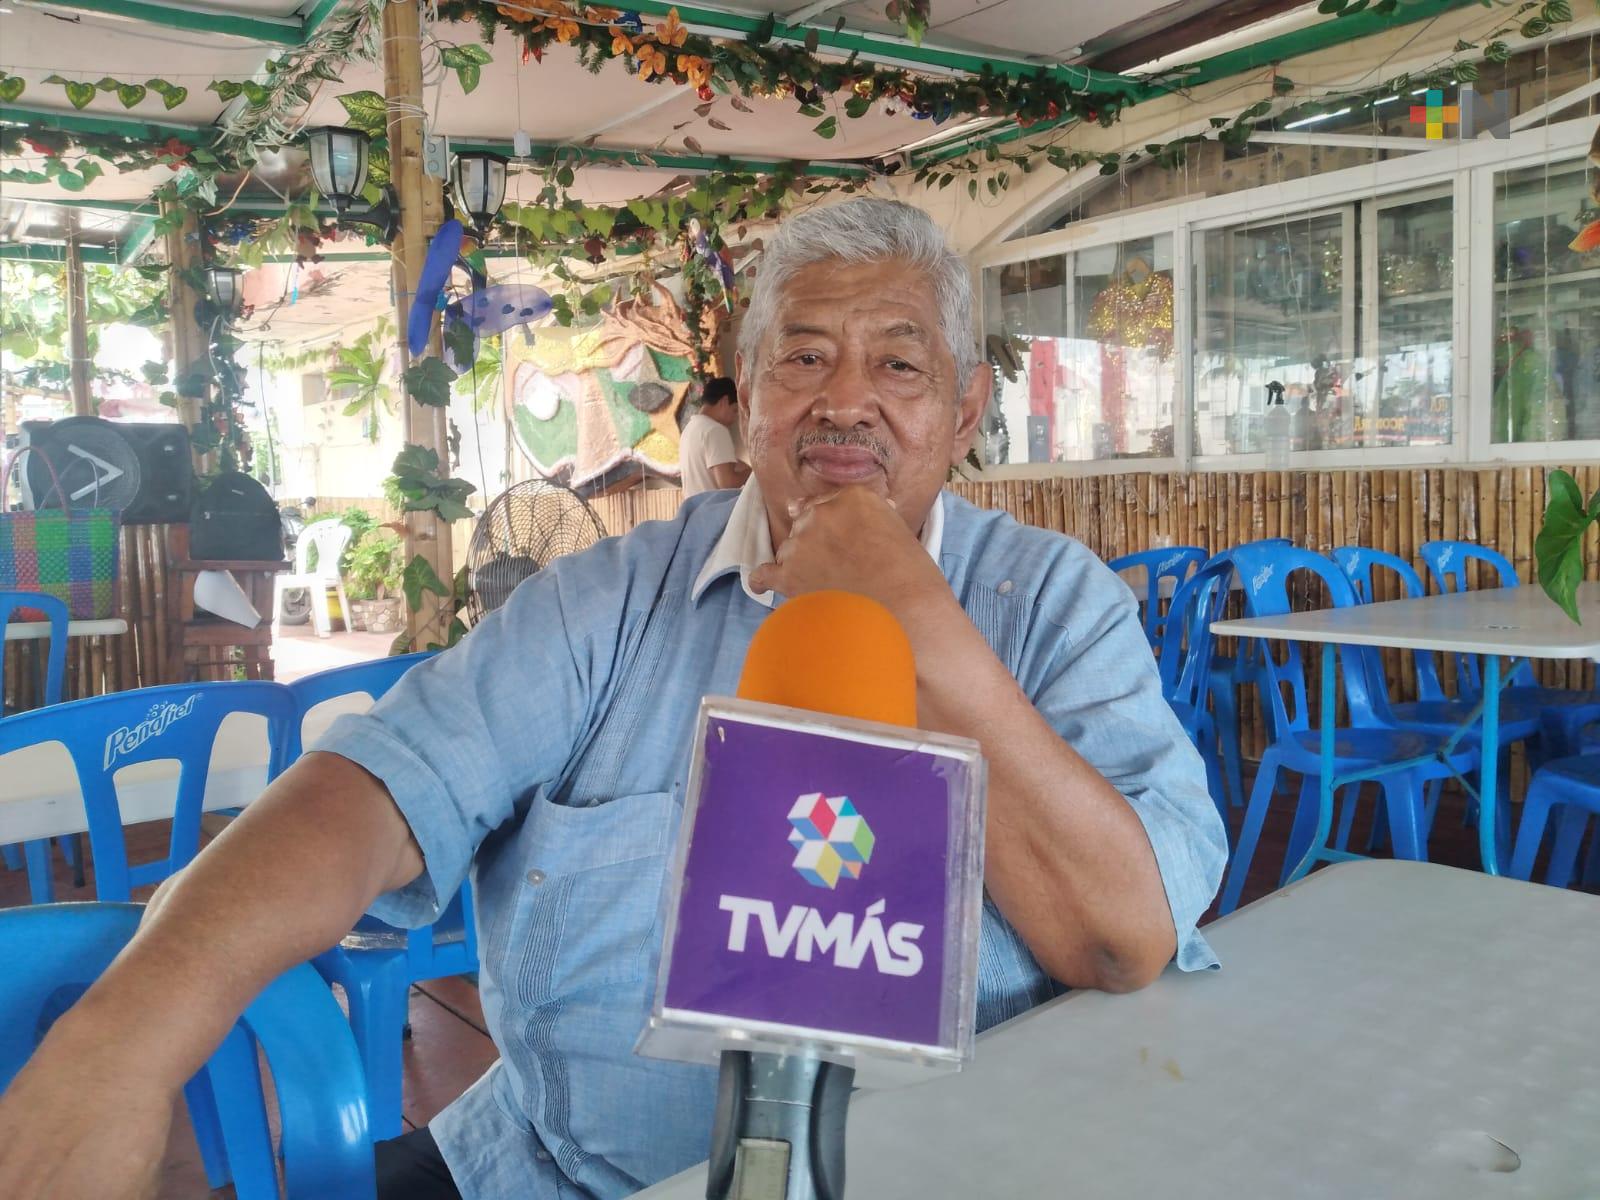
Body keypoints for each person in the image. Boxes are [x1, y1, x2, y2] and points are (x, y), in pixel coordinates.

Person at [0, 198, 1226, 1200]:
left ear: (961, 413)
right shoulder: (612, 600)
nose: (845, 400)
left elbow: (1121, 935)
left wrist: (924, 626)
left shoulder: (1056, 606)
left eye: (898, 364)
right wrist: (125, 1043)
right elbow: (375, 794)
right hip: (565, 1177)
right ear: (744, 394)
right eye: (802, 355)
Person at [678, 376, 750, 495]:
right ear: (724, 401)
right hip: (714, 510)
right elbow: (728, 484)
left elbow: (716, 461)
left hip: (695, 510)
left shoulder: (689, 429)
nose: (735, 418)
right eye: (735, 410)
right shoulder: (716, 430)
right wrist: (752, 473)